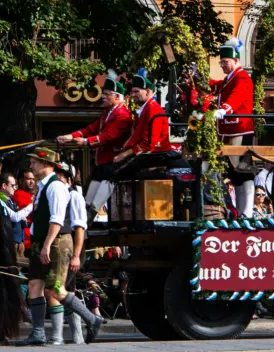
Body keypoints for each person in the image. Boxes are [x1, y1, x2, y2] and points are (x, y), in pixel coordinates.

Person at [19, 148, 104, 346]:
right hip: (42, 243)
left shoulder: (55, 187)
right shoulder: (44, 186)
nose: (31, 166)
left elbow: (56, 220)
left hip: (56, 244)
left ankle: (93, 319)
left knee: (55, 290)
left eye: (34, 162)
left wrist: (47, 245)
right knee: (34, 285)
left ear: (45, 164)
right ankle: (38, 333)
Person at [56, 75, 134, 216]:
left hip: (112, 165)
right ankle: (83, 228)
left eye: (106, 94)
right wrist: (71, 136)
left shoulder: (123, 115)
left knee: (92, 206)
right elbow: (91, 128)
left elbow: (109, 137)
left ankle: (85, 228)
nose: (102, 97)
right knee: (86, 204)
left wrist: (86, 141)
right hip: (103, 164)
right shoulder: (108, 113)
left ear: (117, 97)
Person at [207, 38, 257, 217]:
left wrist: (224, 110)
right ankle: (242, 211)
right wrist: (200, 80)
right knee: (235, 173)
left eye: (225, 62)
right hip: (230, 130)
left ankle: (248, 212)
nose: (222, 65)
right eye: (221, 62)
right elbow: (217, 86)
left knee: (244, 170)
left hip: (240, 128)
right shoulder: (230, 78)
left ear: (236, 61)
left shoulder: (242, 78)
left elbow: (237, 97)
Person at [55, 162, 90, 344]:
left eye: (61, 177)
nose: (57, 180)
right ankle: (77, 334)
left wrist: (76, 255)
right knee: (63, 289)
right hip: (59, 247)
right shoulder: (54, 194)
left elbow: (79, 228)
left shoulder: (74, 196)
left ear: (68, 179)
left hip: (72, 247)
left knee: (61, 289)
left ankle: (82, 329)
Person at [113, 69, 176, 162]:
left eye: (136, 91)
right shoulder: (145, 109)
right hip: (144, 156)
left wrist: (124, 155)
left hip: (153, 158)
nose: (133, 95)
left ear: (147, 92)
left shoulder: (152, 109)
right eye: (132, 92)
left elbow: (148, 144)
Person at [12, 169, 37, 252]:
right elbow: (32, 213)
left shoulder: (28, 194)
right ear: (21, 180)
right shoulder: (19, 194)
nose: (31, 181)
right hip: (25, 241)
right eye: (29, 179)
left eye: (33, 179)